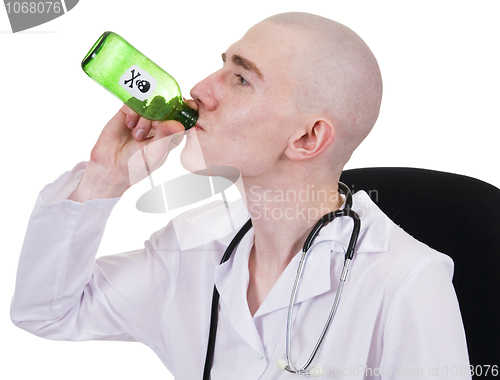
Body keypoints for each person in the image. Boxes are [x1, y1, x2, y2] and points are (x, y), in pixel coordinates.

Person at [11, 12, 470, 379]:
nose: (200, 89)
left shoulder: (406, 281)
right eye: (223, 64)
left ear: (308, 138)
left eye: (242, 79)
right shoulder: (189, 249)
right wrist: (102, 181)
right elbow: (47, 313)